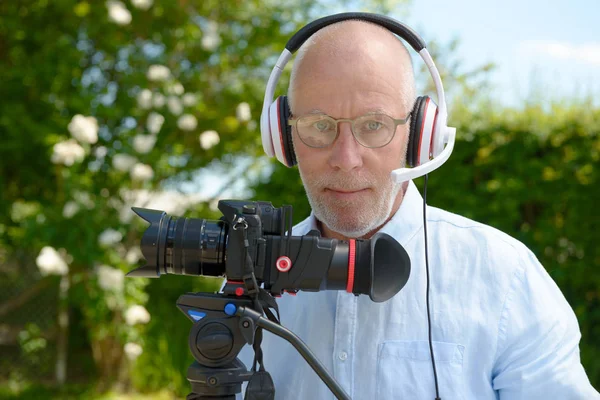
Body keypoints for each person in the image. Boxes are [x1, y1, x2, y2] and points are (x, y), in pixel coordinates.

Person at [239, 19, 599, 399]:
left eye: (374, 125)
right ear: (282, 135)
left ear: (420, 134)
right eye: (319, 125)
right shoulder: (246, 273)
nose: (346, 159)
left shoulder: (506, 278)